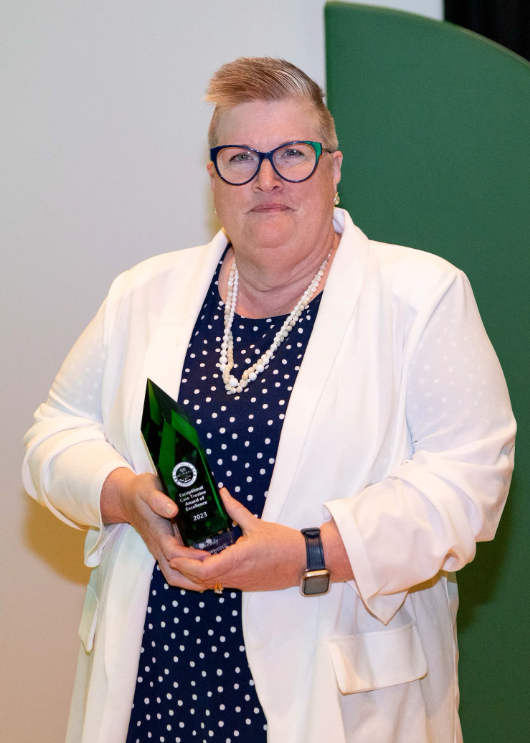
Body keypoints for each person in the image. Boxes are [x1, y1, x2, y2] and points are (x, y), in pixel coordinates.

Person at [22, 57, 515, 743]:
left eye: (292, 154)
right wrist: (124, 493)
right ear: (213, 178)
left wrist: (305, 553)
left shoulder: (421, 297)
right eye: (240, 158)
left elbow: (466, 486)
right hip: (157, 697)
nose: (267, 180)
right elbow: (54, 432)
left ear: (334, 165)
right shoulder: (145, 293)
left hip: (333, 701)